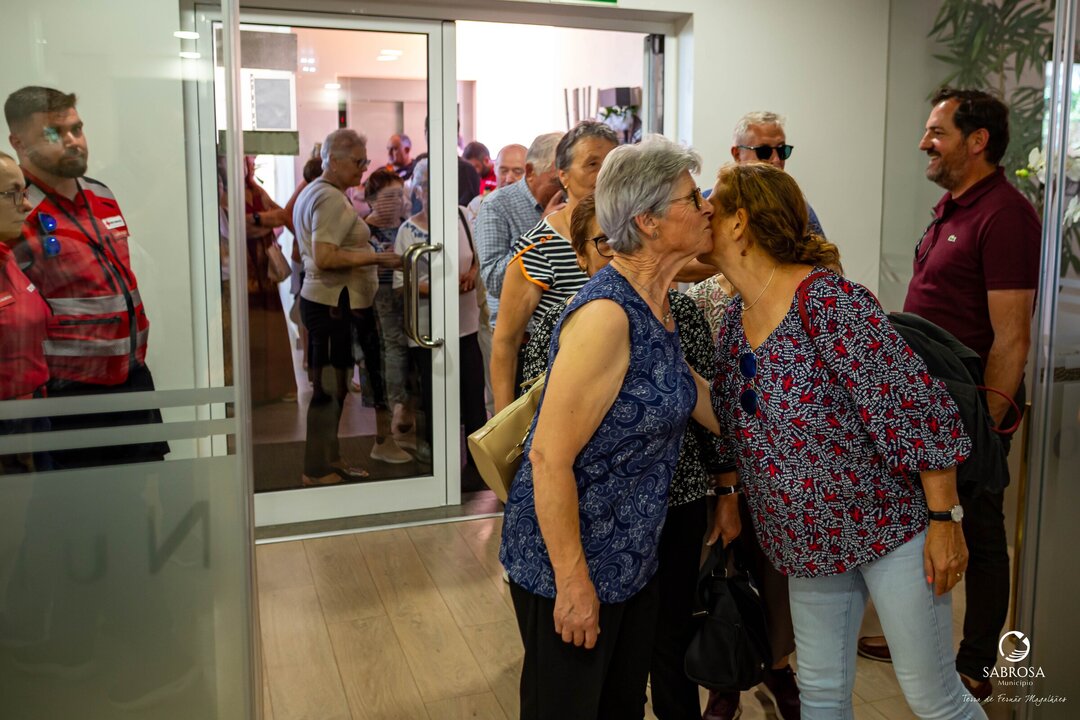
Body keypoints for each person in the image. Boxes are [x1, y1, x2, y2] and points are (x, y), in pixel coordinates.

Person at [705, 162, 984, 720]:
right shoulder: (736, 317)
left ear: (739, 222)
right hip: (807, 541)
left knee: (933, 698)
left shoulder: (829, 301)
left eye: (709, 210)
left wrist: (945, 522)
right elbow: (736, 421)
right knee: (821, 696)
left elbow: (918, 412)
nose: (699, 220)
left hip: (889, 530)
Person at [500, 135, 719, 720]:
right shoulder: (606, 315)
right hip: (573, 559)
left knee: (619, 708)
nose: (707, 208)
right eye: (693, 198)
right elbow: (547, 457)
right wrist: (573, 582)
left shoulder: (657, 303)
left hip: (631, 557)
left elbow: (706, 402)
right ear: (647, 221)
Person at [857, 88, 1041, 702]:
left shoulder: (1006, 215)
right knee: (926, 526)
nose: (924, 143)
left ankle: (977, 662)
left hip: (971, 409)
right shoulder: (953, 207)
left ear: (978, 140)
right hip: (931, 410)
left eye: (937, 133)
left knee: (980, 533)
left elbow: (1012, 338)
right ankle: (921, 640)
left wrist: (985, 429)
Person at [4, 85, 167, 468]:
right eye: (54, 133)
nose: (73, 141)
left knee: (145, 492)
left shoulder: (101, 194)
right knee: (78, 501)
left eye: (77, 128)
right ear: (18, 142)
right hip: (66, 394)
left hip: (132, 380)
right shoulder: (14, 210)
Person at [293, 129, 409, 486]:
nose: (363, 168)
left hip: (329, 301)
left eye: (365, 161)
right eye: (359, 161)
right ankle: (316, 468)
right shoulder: (329, 198)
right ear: (334, 161)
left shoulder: (318, 192)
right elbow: (325, 257)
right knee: (329, 389)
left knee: (335, 388)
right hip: (331, 303)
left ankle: (329, 458)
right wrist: (378, 258)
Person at [490, 121, 617, 411]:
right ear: (563, 175)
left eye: (610, 163)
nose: (603, 174)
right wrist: (503, 419)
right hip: (564, 397)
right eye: (592, 164)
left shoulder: (632, 235)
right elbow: (506, 343)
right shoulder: (539, 247)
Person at [392, 158, 486, 465]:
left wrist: (472, 273)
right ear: (418, 190)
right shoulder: (408, 230)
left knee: (473, 399)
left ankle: (477, 467)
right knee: (436, 402)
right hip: (427, 331)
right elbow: (401, 284)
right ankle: (440, 467)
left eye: (442, 183)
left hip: (465, 324)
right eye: (428, 185)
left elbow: (479, 255)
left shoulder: (463, 216)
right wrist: (440, 289)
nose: (435, 190)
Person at [475, 132, 563, 328]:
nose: (564, 188)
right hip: (519, 335)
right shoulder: (495, 206)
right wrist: (541, 231)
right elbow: (495, 282)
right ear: (530, 172)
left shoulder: (567, 199)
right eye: (556, 181)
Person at [0, 150, 49, 472]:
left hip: (30, 420)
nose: (27, 205)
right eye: (12, 194)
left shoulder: (8, 258)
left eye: (25, 192)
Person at [239, 155, 297, 405]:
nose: (249, 165)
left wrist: (256, 220)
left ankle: (276, 387)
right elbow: (238, 226)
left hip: (264, 270)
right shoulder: (224, 194)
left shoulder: (256, 191)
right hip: (243, 271)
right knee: (249, 327)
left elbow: (282, 216)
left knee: (271, 325)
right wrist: (264, 221)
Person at [362, 168, 413, 439]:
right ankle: (396, 405)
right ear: (372, 199)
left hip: (409, 292)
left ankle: (408, 403)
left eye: (400, 195)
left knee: (407, 348)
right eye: (389, 196)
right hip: (379, 295)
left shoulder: (406, 224)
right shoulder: (364, 229)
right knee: (393, 347)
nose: (397, 201)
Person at [731, 110, 825, 236]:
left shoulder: (798, 209)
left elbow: (821, 249)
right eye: (764, 151)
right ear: (737, 154)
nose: (776, 160)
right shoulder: (712, 206)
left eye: (782, 150)